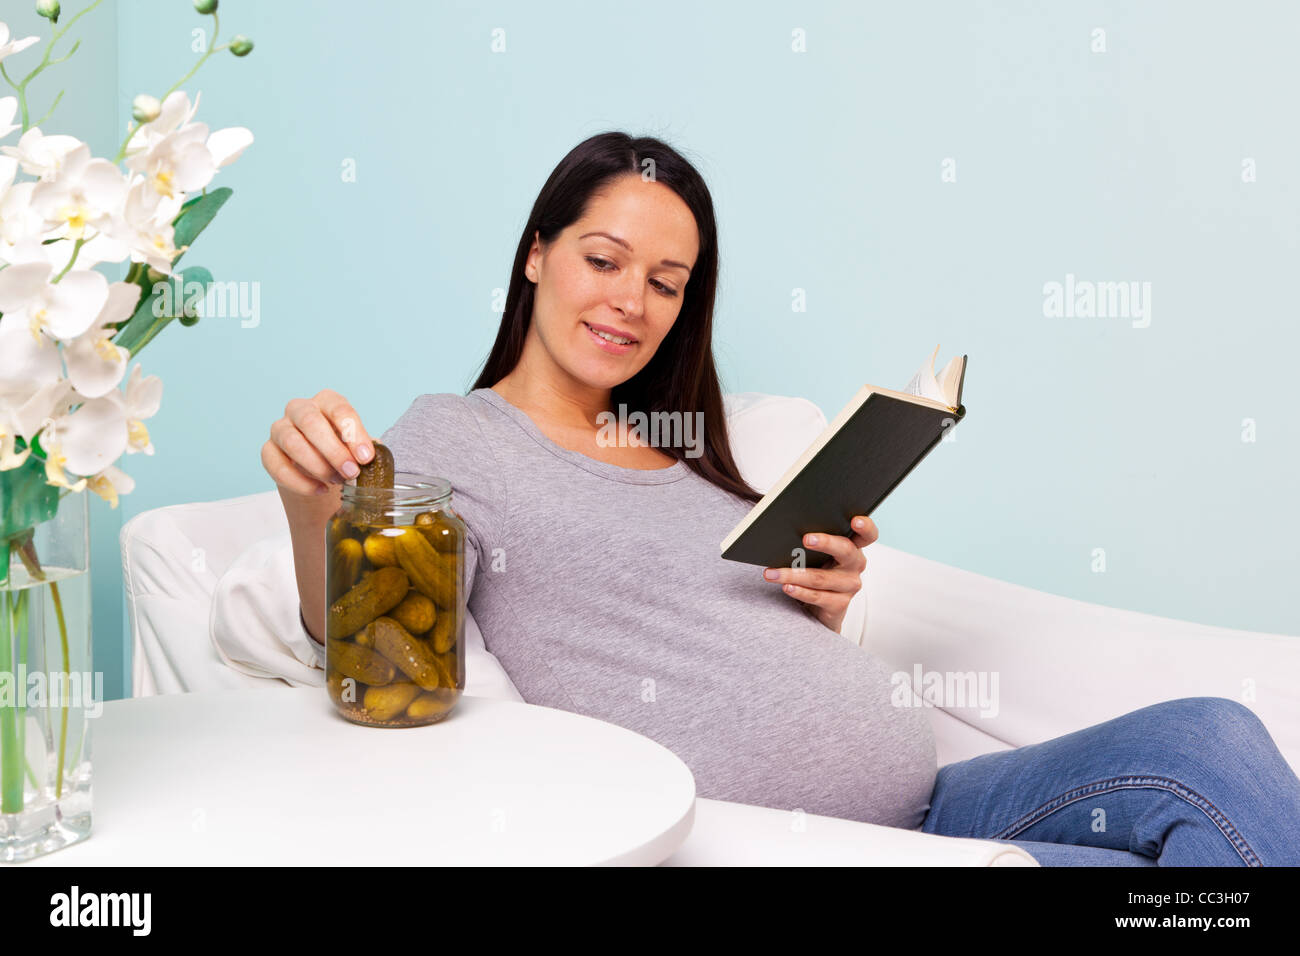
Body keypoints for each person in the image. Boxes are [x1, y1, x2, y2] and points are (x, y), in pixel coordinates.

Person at [260, 131, 1300, 865]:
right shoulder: (450, 436)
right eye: (603, 258)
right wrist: (312, 504)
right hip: (797, 839)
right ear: (536, 255)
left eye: (666, 282)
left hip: (932, 799)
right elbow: (363, 631)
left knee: (1207, 738)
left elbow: (715, 631)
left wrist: (827, 601)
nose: (631, 299)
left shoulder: (691, 445)